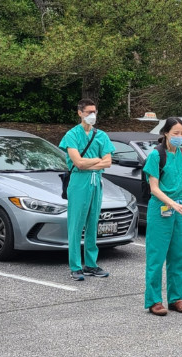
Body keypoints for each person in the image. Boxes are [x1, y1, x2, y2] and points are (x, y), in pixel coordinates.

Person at [143, 117, 182, 316]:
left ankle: (176, 298)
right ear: (166, 133)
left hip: (180, 208)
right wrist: (173, 204)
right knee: (156, 256)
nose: (179, 137)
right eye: (175, 133)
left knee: (179, 256)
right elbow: (154, 189)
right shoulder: (156, 155)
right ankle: (154, 300)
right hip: (162, 208)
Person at [59, 99, 115, 281]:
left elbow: (109, 161)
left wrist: (92, 163)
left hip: (96, 182)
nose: (93, 115)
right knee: (76, 224)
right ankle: (75, 266)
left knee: (93, 223)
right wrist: (98, 161)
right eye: (89, 112)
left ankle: (91, 264)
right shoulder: (72, 135)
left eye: (95, 112)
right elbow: (78, 163)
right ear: (80, 113)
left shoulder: (102, 136)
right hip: (79, 183)